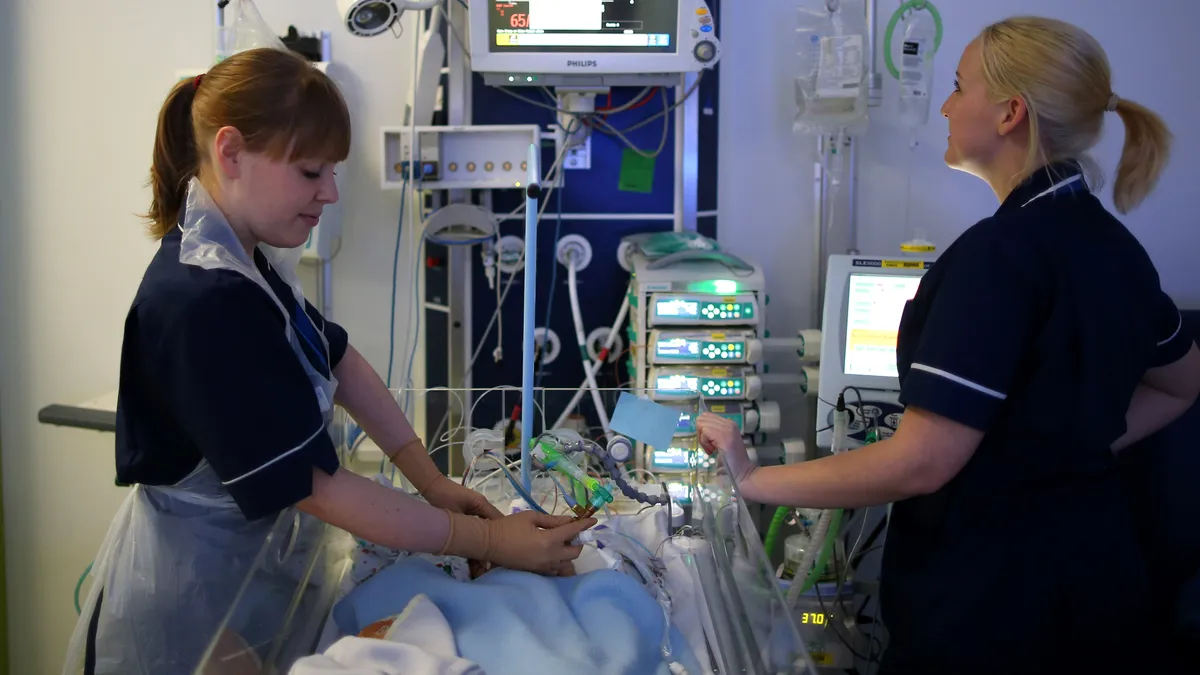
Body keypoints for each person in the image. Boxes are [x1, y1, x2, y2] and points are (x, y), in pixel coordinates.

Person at [63, 47, 594, 675]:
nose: (331, 193)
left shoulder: (243, 263)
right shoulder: (200, 300)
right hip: (191, 599)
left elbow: (339, 360)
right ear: (230, 153)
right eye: (312, 172)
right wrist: (488, 540)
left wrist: (433, 483)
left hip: (253, 570)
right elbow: (316, 488)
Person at [697, 16, 1200, 675]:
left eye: (960, 87)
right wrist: (1072, 440)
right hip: (1101, 586)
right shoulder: (1115, 249)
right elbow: (1183, 382)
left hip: (993, 604)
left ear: (1010, 113)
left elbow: (921, 463)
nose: (944, 104)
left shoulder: (998, 258)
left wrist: (754, 476)